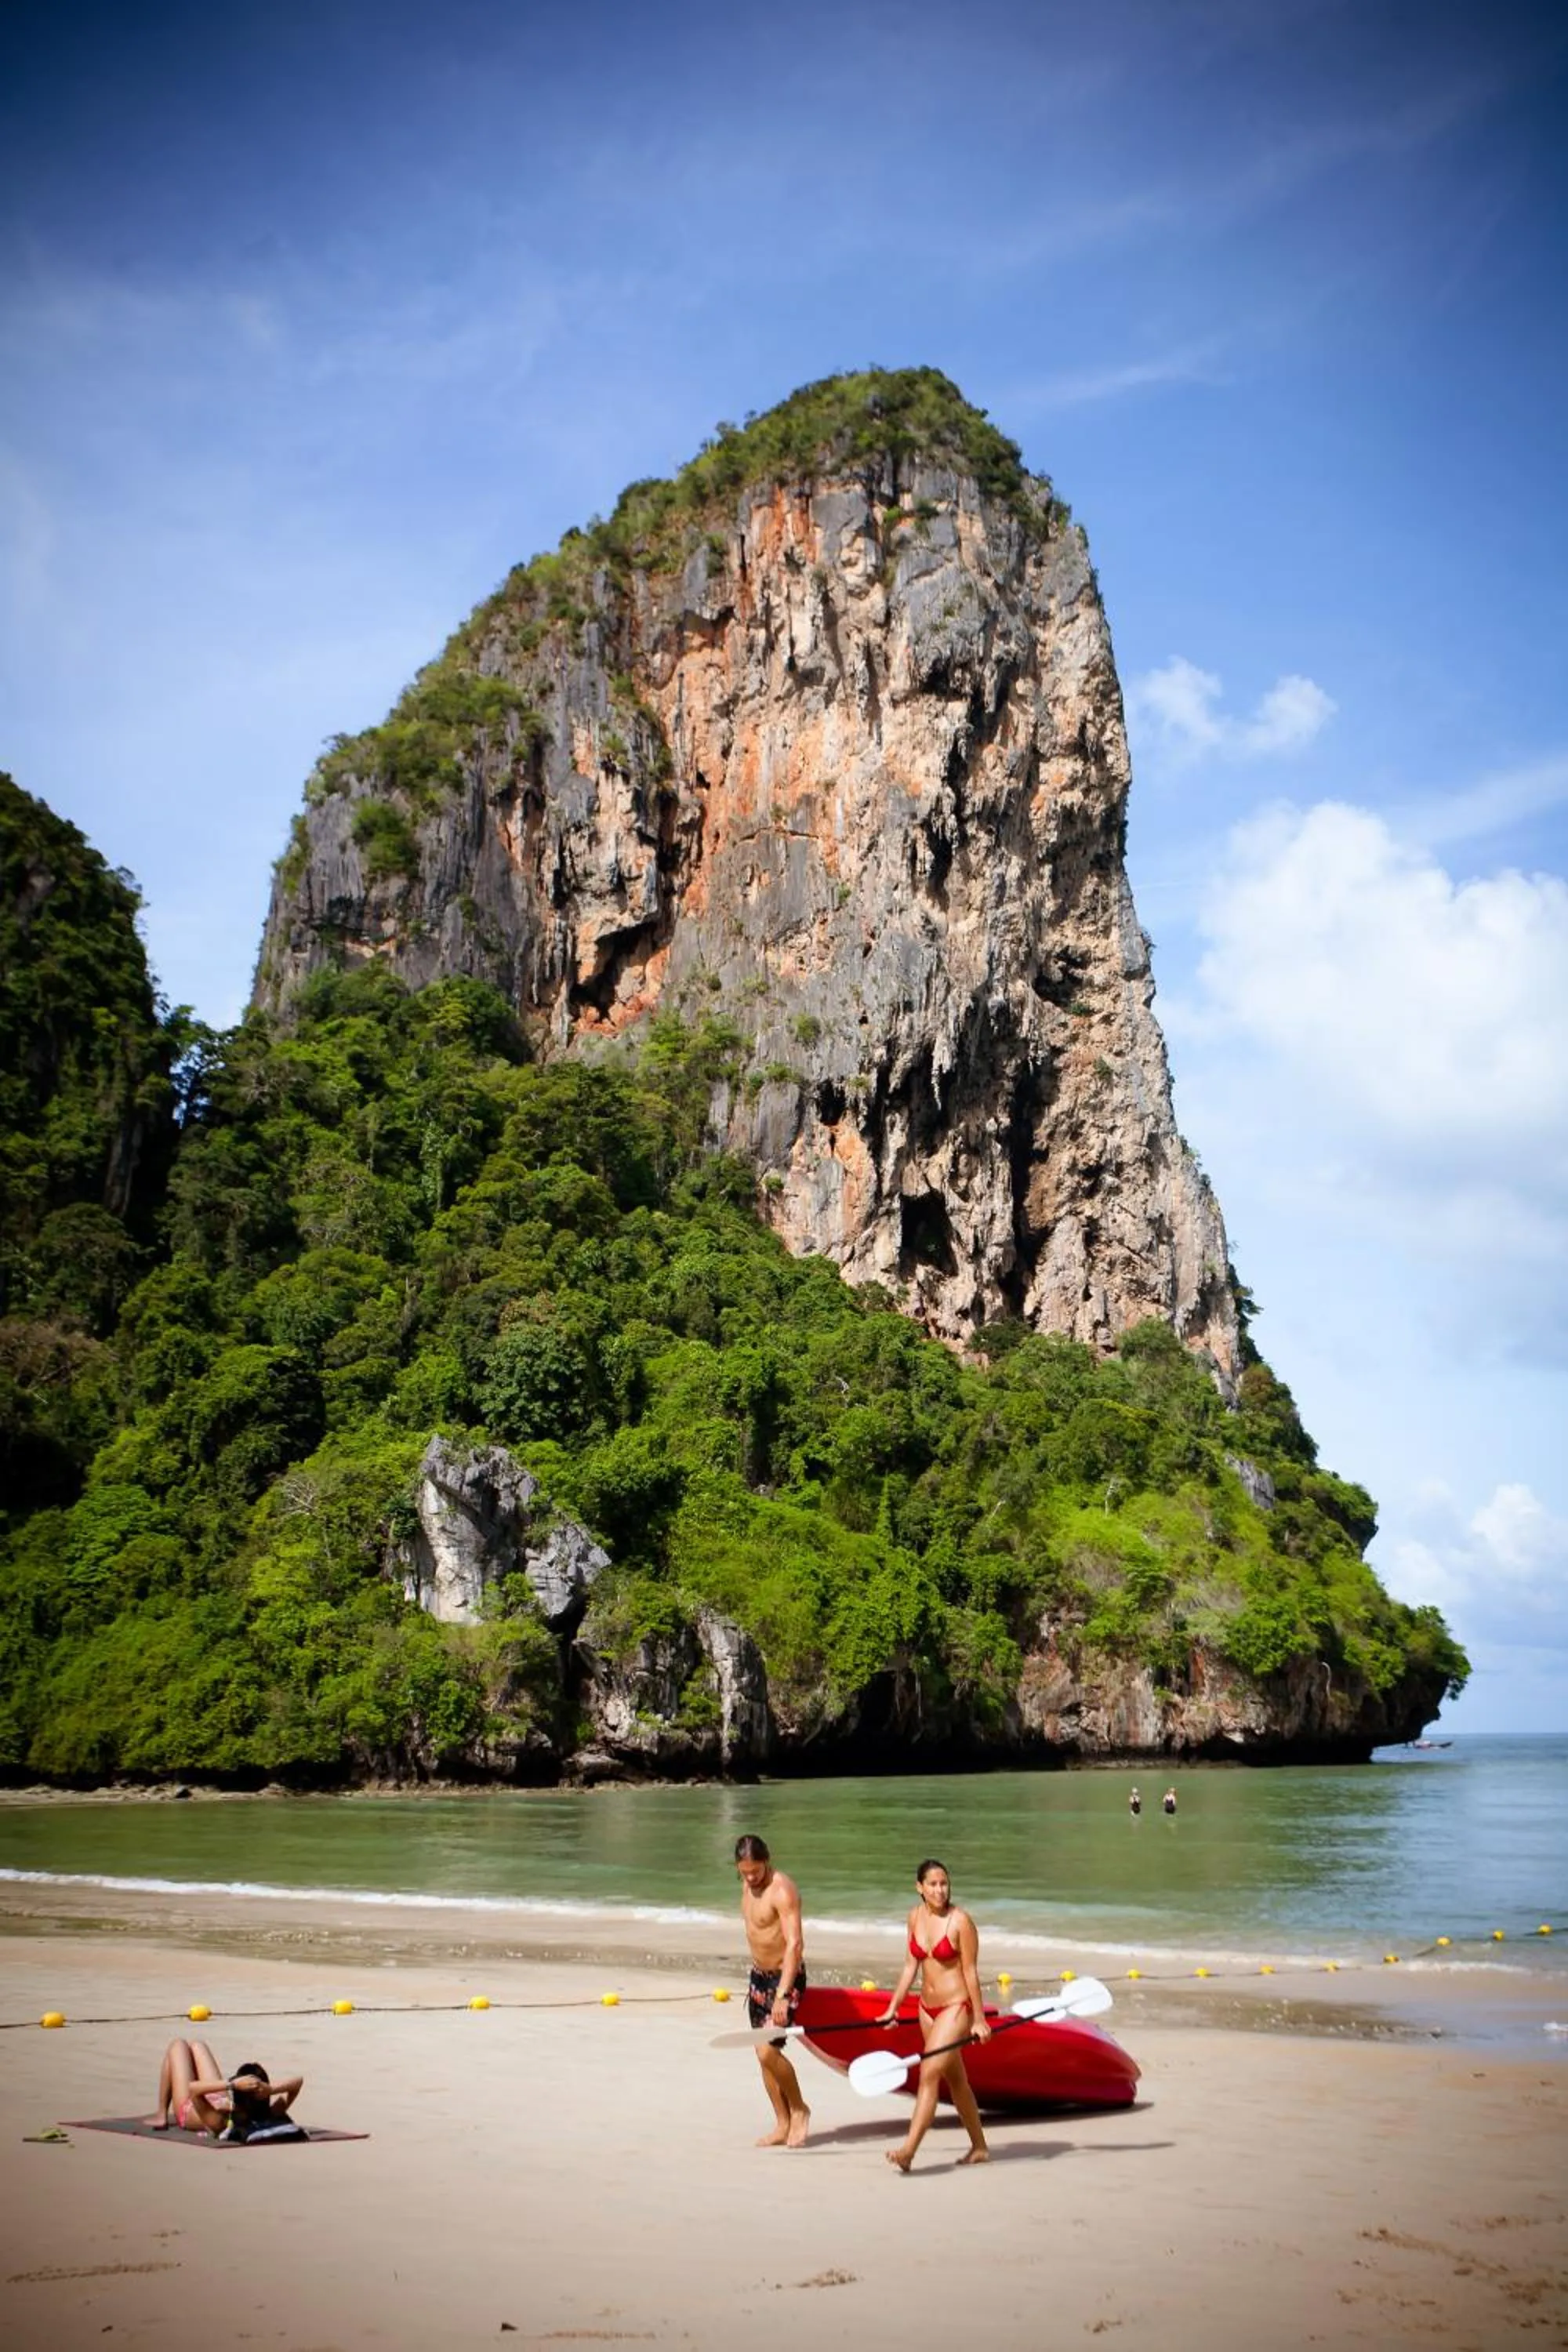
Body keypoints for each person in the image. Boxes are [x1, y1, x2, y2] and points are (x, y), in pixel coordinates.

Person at [874, 1859, 990, 2173]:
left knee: (928, 2073)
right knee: (956, 2080)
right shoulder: (914, 1917)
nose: (940, 1890)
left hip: (956, 2008)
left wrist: (979, 2019)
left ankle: (908, 2151)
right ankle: (979, 2147)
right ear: (920, 1888)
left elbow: (971, 1972)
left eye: (944, 1883)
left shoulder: (960, 1922)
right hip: (927, 2010)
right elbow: (911, 1965)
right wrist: (893, 2007)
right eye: (933, 1884)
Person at [734, 1833, 810, 2148]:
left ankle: (799, 2109)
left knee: (767, 2049)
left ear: (767, 1860)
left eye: (756, 1871)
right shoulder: (748, 1885)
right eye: (745, 1872)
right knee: (763, 2055)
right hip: (758, 1979)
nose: (751, 1877)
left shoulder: (782, 1889)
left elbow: (795, 1944)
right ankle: (781, 2123)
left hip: (784, 1979)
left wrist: (782, 1994)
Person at [146, 2038, 303, 2140]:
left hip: (190, 2106)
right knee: (198, 2045)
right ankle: (161, 2113)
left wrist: (232, 2084)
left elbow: (193, 2089)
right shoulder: (268, 2112)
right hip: (218, 2096)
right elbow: (298, 2082)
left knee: (178, 2045)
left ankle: (162, 2114)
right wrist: (271, 2090)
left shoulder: (220, 2122)